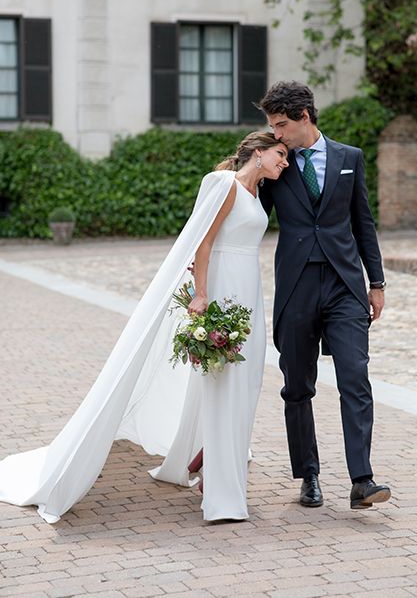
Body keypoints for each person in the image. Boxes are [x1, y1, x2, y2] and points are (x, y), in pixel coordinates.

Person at [0, 132, 288, 524]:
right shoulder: (227, 186)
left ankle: (205, 456)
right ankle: (222, 492)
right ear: (258, 152)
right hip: (222, 287)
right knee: (225, 382)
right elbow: (202, 244)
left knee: (247, 379)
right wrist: (201, 295)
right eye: (280, 154)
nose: (284, 162)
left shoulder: (257, 194)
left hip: (248, 290)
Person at [258, 81, 391, 510]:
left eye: (281, 125)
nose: (277, 135)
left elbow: (363, 223)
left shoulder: (349, 158)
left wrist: (376, 282)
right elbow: (250, 218)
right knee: (297, 387)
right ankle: (309, 476)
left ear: (305, 117)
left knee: (355, 377)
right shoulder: (275, 165)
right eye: (272, 127)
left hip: (344, 285)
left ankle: (362, 479)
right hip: (296, 286)